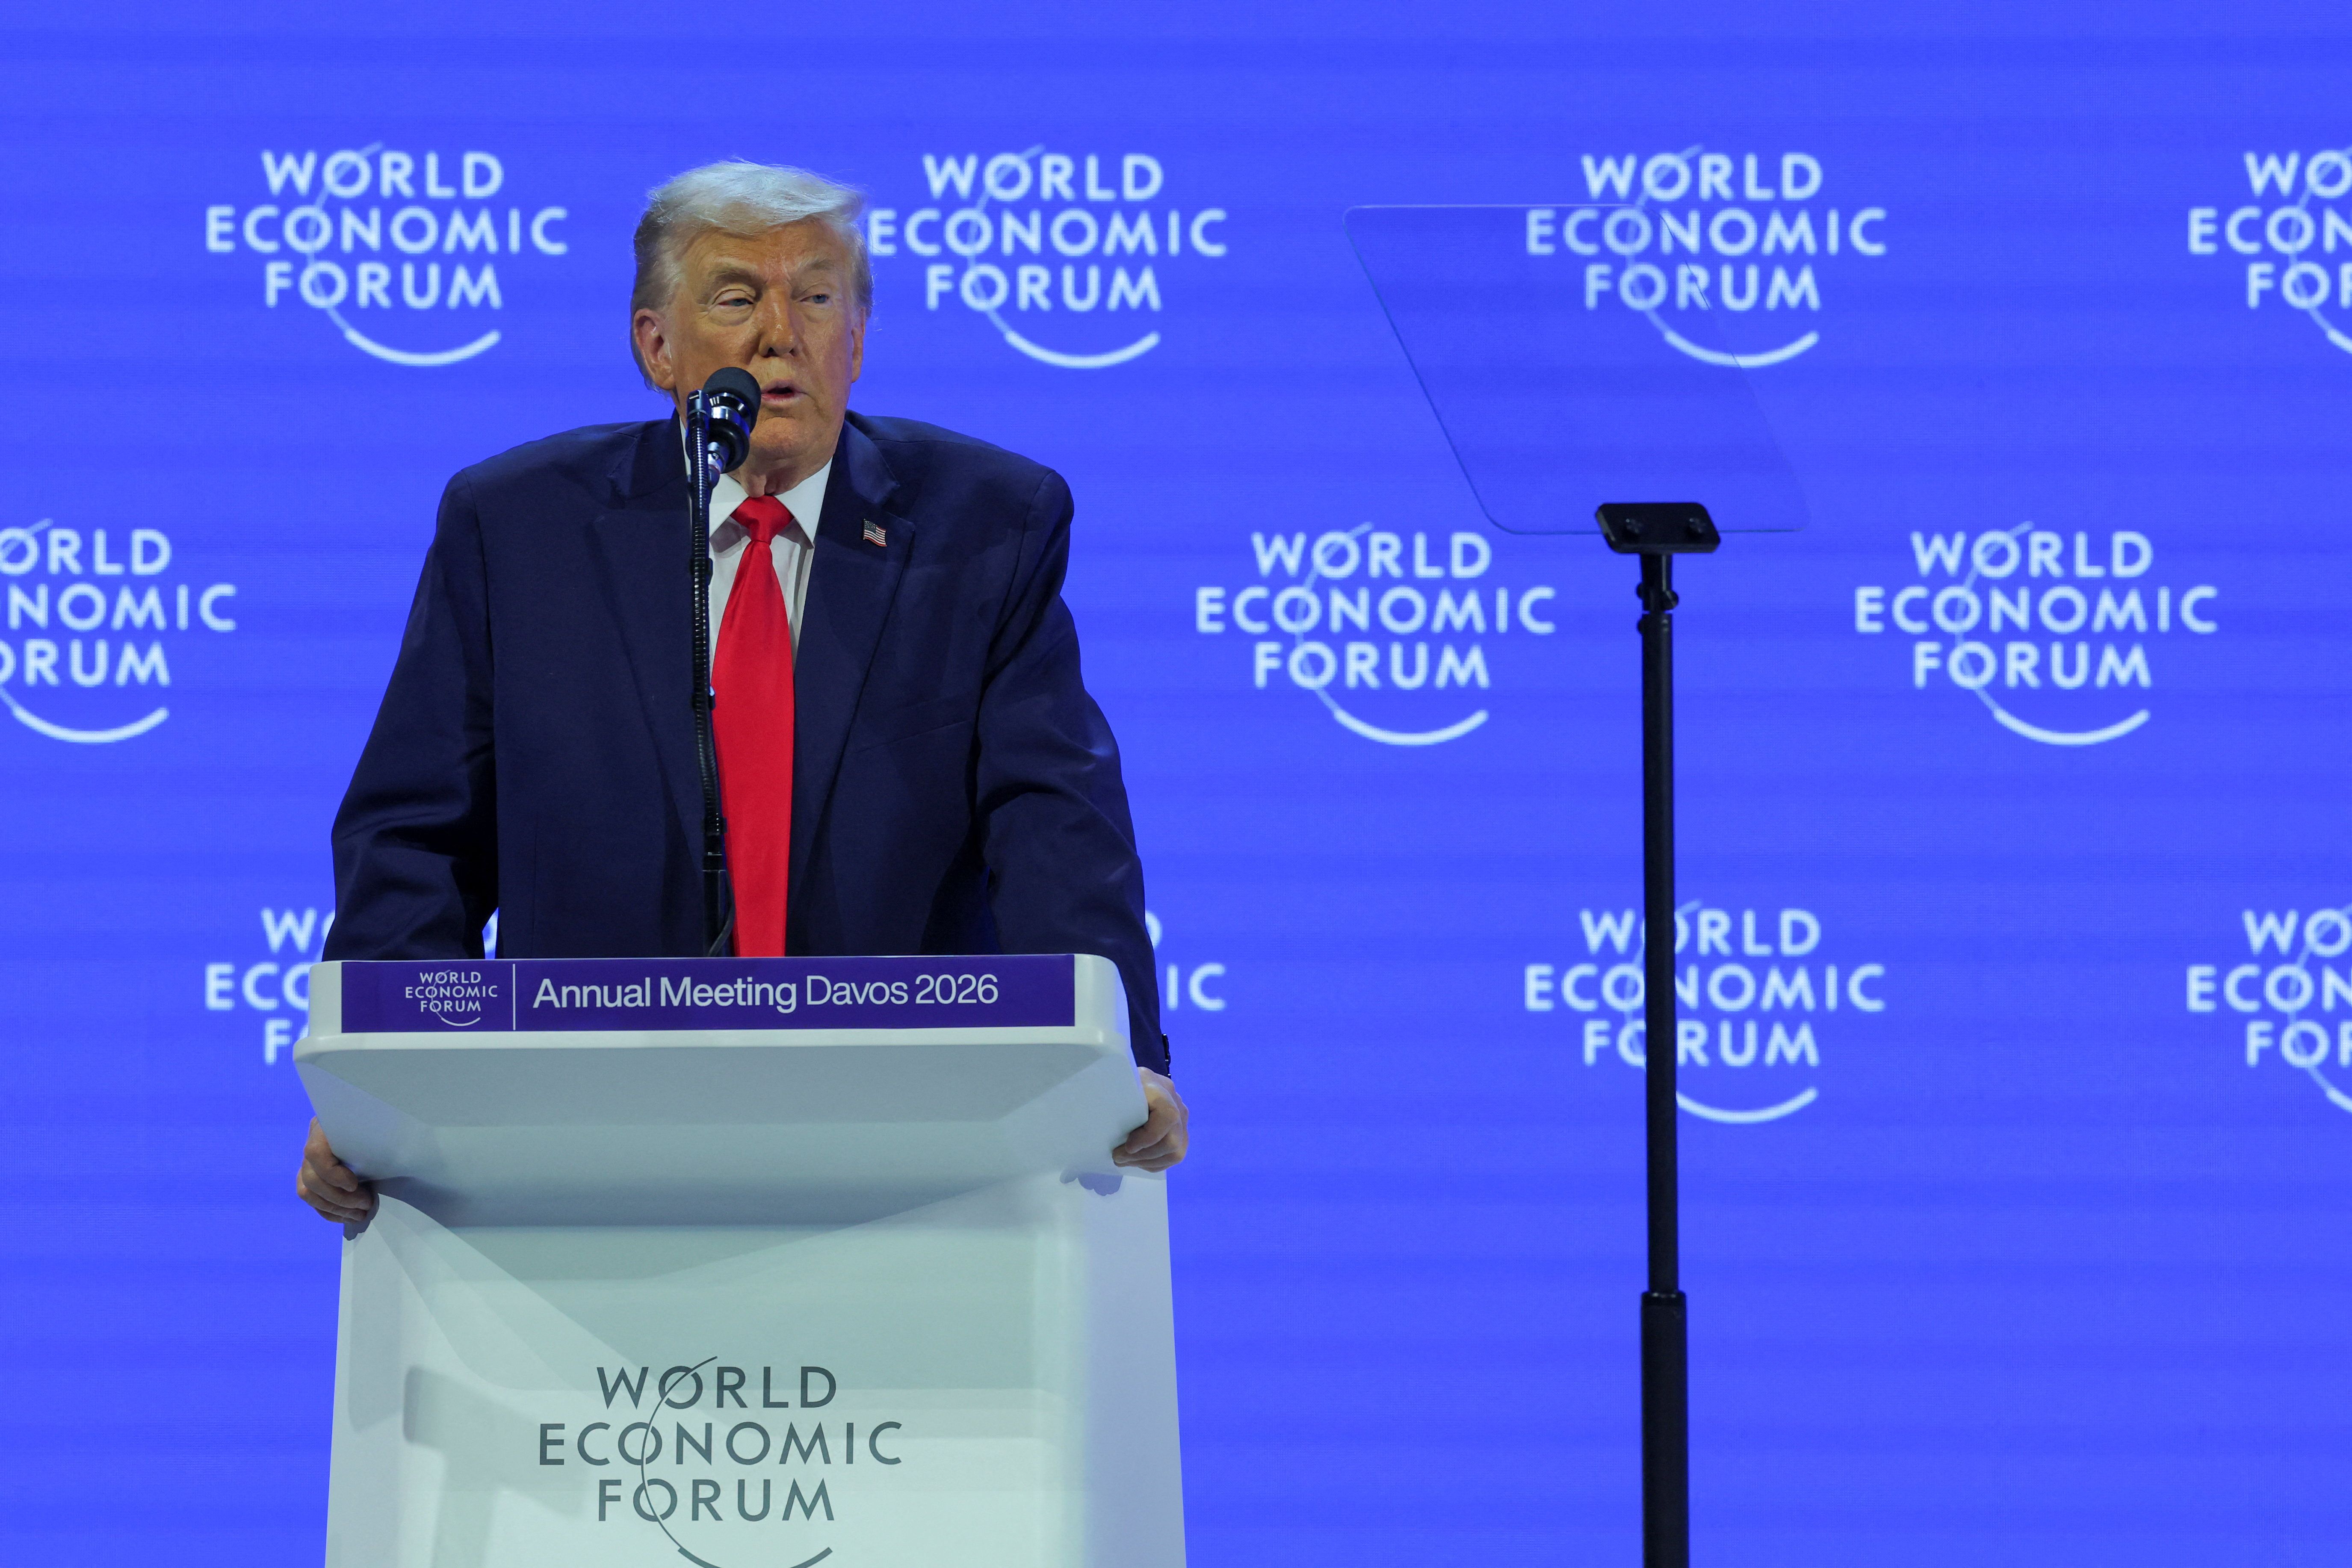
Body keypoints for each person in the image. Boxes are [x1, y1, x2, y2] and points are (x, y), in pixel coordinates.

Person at [296, 161, 1186, 1227]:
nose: (781, 334)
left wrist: (1119, 1060)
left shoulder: (987, 524)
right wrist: (383, 1090)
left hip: (911, 1134)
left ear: (856, 340)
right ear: (655, 348)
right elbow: (417, 834)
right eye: (735, 297)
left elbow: (1055, 822)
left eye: (817, 296)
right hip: (577, 1131)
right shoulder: (515, 527)